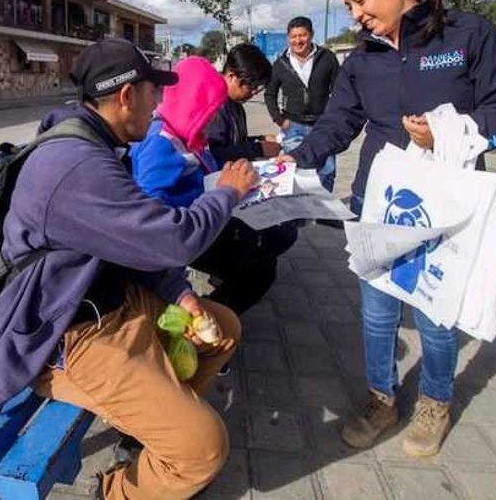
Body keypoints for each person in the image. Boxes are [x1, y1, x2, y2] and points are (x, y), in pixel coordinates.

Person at [0, 37, 258, 500]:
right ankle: (116, 490)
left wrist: (181, 294)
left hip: (110, 302)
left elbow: (133, 241)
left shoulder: (99, 146)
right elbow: (174, 238)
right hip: (65, 333)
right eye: (154, 93)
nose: (159, 105)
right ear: (127, 95)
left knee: (221, 328)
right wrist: (227, 192)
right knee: (205, 450)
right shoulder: (75, 165)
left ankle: (156, 427)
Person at [283, 0, 496, 457]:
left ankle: (435, 402)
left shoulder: (466, 35)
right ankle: (381, 399)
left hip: (445, 209)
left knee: (436, 315)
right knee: (377, 313)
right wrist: (296, 159)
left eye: (361, 0)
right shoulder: (362, 59)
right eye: (349, 5)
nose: (356, 14)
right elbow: (338, 122)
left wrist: (449, 132)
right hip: (378, 204)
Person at [131, 55, 297, 316]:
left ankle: (217, 310)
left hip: (207, 218)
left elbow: (206, 169)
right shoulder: (160, 143)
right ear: (191, 103)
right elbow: (151, 216)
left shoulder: (189, 133)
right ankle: (208, 319)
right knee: (259, 269)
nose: (211, 121)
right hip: (189, 232)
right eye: (208, 112)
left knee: (274, 243)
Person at [264, 16, 340, 190]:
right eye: (293, 36)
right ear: (288, 38)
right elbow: (270, 94)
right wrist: (279, 119)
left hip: (323, 125)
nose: (298, 41)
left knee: (326, 170)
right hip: (294, 127)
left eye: (302, 35)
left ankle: (324, 205)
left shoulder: (327, 58)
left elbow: (339, 91)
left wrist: (332, 117)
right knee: (295, 171)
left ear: (311, 35)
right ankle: (300, 206)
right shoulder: (280, 64)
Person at [206, 43, 282, 164]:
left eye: (257, 89)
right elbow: (213, 153)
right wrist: (258, 149)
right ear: (232, 76)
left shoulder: (236, 105)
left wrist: (260, 139)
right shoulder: (214, 106)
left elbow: (235, 143)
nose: (253, 93)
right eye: (251, 87)